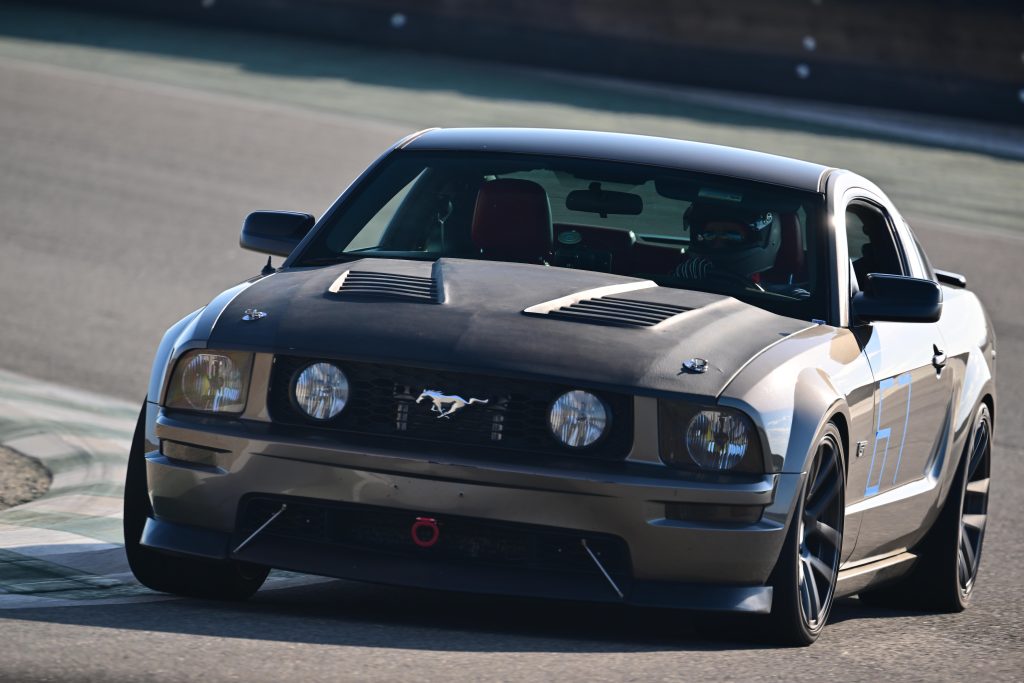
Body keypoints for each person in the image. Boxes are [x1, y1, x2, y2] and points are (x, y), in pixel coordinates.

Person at [674, 200, 780, 285]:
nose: (718, 244)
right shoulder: (688, 276)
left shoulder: (781, 300)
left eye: (732, 235)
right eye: (709, 235)